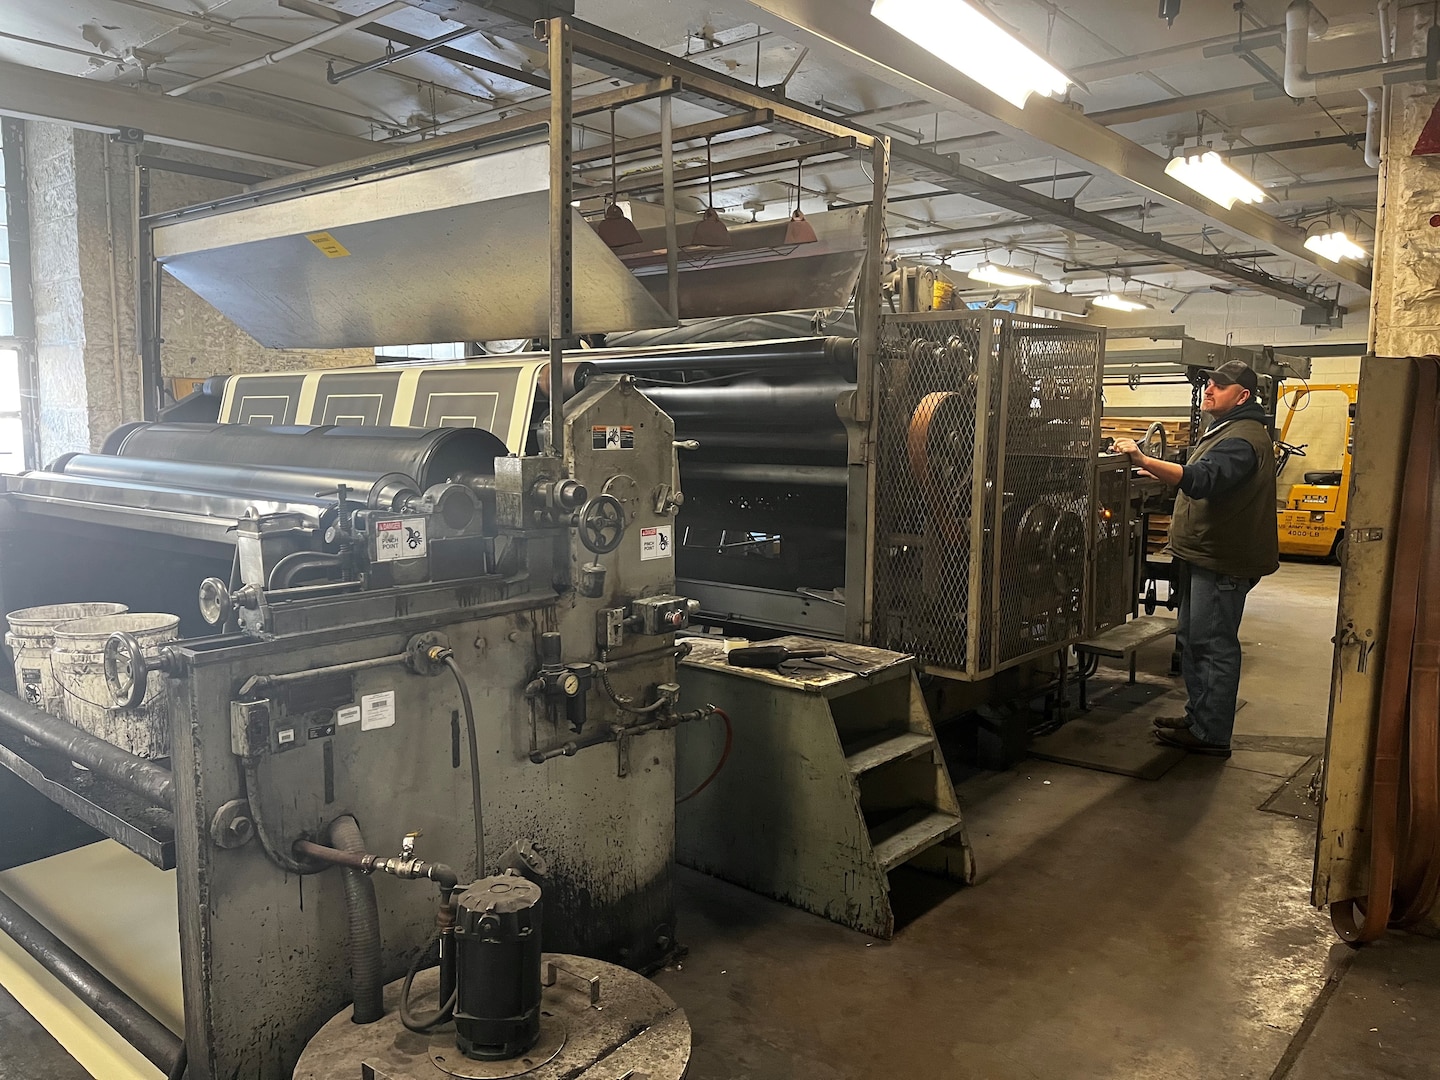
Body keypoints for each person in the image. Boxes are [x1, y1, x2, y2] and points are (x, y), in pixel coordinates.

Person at [1113, 360, 1280, 758]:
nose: (1209, 389)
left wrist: (1143, 459)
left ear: (1242, 396)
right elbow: (1200, 474)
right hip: (1208, 554)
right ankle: (1200, 718)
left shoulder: (1242, 438)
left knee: (1212, 646)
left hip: (1223, 560)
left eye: (1220, 386)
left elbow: (1203, 480)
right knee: (1195, 639)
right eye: (1209, 383)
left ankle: (1210, 733)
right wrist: (1164, 475)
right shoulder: (1226, 429)